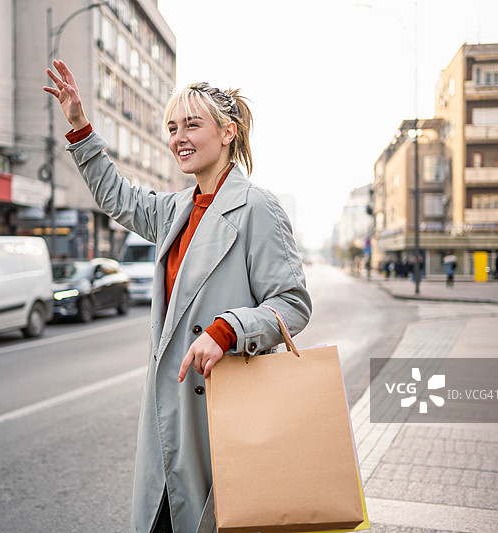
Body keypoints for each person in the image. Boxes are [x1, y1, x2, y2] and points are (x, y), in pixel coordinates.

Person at [43, 60, 312, 533]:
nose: (178, 137)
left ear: (228, 132)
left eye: (192, 124)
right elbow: (119, 199)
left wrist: (228, 330)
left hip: (225, 412)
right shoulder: (177, 208)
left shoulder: (258, 208)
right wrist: (80, 126)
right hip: (172, 414)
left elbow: (292, 303)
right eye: (172, 127)